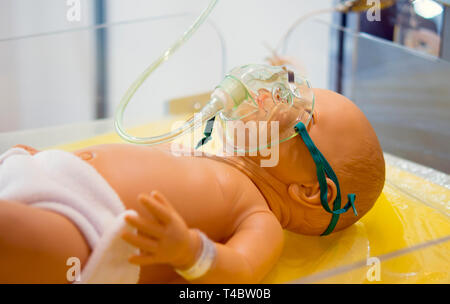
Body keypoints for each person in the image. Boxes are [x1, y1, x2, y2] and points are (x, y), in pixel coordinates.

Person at [0, 87, 384, 283]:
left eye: (307, 114)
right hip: (46, 173)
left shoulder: (259, 217)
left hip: (92, 235)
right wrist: (49, 161)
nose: (283, 98)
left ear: (312, 191)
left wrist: (188, 250)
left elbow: (241, 271)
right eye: (297, 91)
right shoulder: (212, 148)